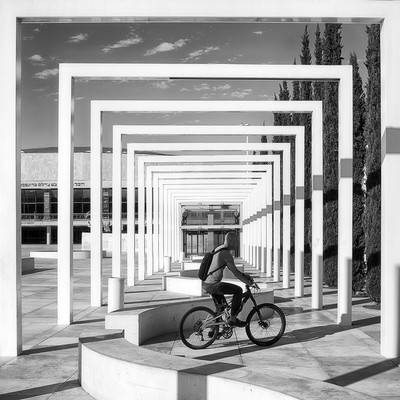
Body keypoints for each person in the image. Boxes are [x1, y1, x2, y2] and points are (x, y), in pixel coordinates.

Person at [202, 231, 254, 327]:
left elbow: (234, 270)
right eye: (236, 241)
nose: (237, 244)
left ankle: (213, 331)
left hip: (206, 283)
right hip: (213, 284)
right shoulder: (226, 254)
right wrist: (249, 283)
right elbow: (235, 273)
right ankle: (233, 320)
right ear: (231, 241)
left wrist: (245, 276)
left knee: (221, 309)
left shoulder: (218, 249)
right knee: (238, 290)